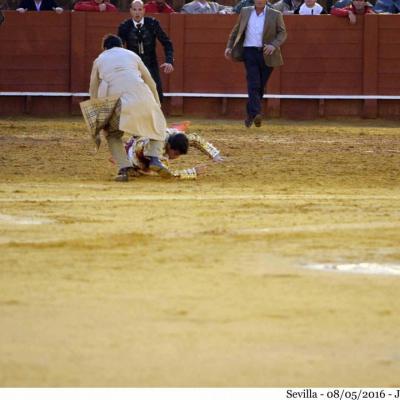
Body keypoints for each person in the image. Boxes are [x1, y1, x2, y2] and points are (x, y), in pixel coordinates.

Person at [80, 34, 168, 182]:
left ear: (105, 48)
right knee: (159, 127)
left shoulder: (100, 59)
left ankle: (124, 167)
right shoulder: (132, 55)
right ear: (122, 45)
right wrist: (157, 105)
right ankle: (154, 158)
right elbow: (151, 83)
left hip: (117, 103)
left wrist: (97, 115)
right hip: (142, 97)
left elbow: (93, 88)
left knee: (113, 135)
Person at [225, 0, 286, 128]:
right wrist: (229, 46)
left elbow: (282, 33)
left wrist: (273, 45)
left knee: (260, 86)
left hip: (267, 53)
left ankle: (250, 115)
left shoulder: (275, 14)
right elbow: (236, 30)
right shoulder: (245, 11)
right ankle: (257, 112)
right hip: (249, 52)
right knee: (254, 83)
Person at [117, 0, 174, 102]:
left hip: (151, 63)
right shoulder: (125, 26)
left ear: (144, 10)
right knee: (132, 94)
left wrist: (169, 61)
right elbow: (118, 48)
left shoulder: (152, 23)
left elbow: (167, 43)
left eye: (139, 9)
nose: (137, 12)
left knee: (157, 94)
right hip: (133, 65)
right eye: (134, 9)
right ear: (130, 11)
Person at [123, 125, 223, 179]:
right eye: (175, 154)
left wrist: (215, 154)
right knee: (142, 168)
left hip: (143, 138)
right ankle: (127, 168)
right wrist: (193, 172)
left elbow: (195, 139)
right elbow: (169, 174)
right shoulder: (159, 153)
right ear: (169, 146)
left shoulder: (175, 135)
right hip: (134, 157)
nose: (176, 157)